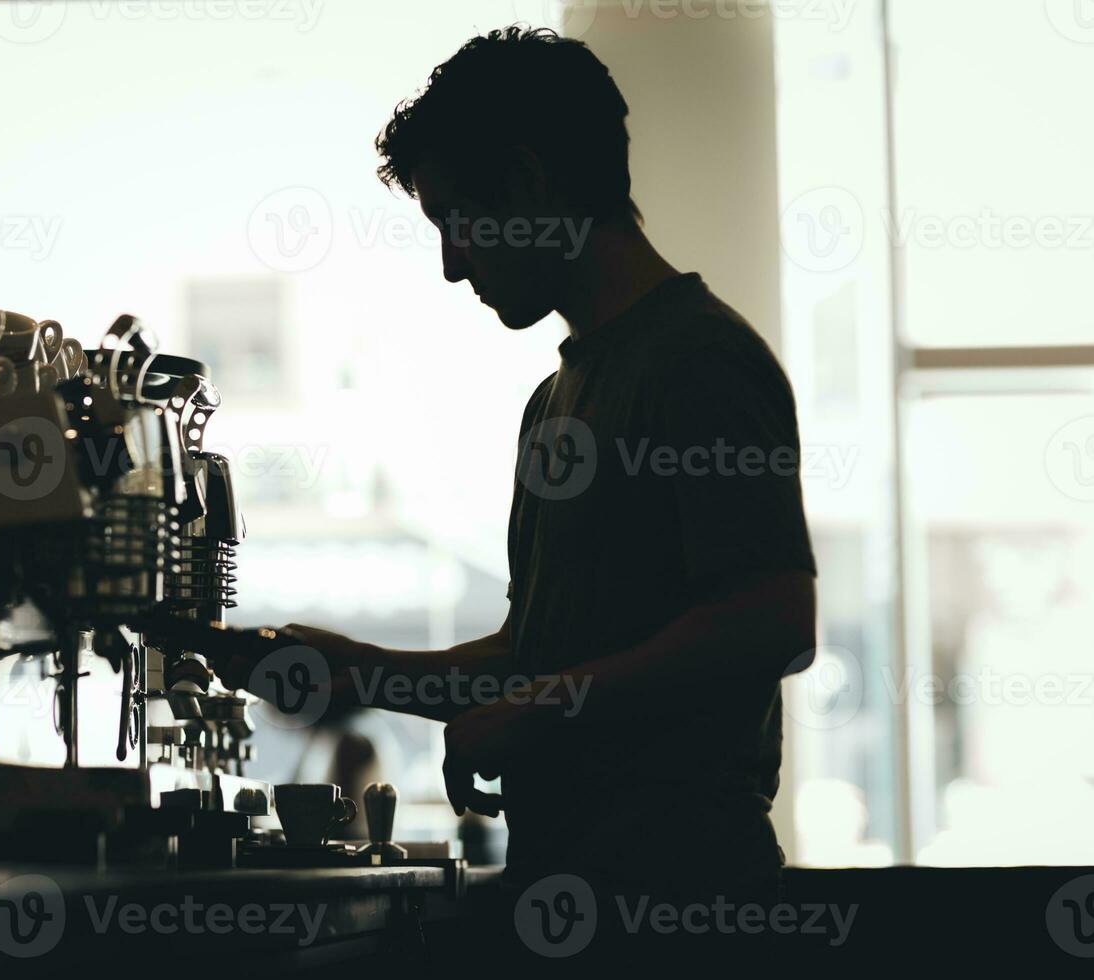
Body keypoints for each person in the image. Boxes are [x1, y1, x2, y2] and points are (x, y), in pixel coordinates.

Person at [221, 25, 818, 928]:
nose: (453, 263)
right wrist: (364, 672)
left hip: (686, 905)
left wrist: (543, 709)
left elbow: (772, 622)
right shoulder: (553, 400)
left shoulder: (699, 362)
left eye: (456, 220)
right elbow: (539, 653)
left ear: (533, 186)